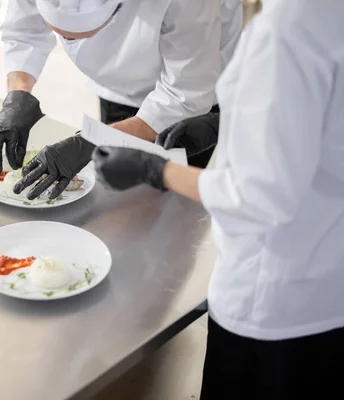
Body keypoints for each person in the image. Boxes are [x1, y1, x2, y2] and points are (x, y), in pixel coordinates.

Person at [93, 0, 344, 398]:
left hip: (273, 299)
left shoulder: (287, 29)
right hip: (329, 282)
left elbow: (258, 198)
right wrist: (223, 122)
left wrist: (154, 170)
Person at [0, 0, 243, 200]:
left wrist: (92, 140)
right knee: (117, 201)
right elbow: (24, 31)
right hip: (118, 89)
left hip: (192, 101)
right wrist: (18, 95)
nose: (68, 43)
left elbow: (184, 94)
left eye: (76, 36)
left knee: (168, 210)